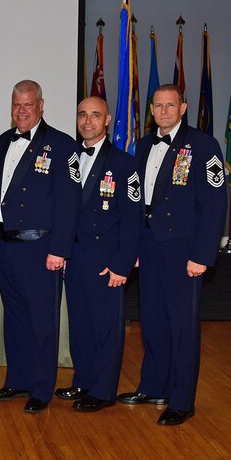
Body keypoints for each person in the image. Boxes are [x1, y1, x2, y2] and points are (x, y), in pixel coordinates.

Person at [118, 84, 227, 426]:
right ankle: (154, 386)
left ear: (183, 108)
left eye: (170, 105)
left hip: (183, 249)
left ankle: (182, 400)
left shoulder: (204, 145)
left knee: (182, 326)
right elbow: (135, 200)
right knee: (152, 320)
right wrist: (132, 246)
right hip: (149, 244)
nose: (164, 111)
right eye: (158, 105)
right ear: (151, 110)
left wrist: (202, 254)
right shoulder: (143, 145)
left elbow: (214, 205)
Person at [0, 80, 81, 414]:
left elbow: (69, 203)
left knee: (42, 321)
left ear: (41, 105)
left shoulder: (61, 145)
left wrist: (60, 249)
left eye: (28, 105)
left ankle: (41, 388)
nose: (21, 111)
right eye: (16, 105)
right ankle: (18, 379)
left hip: (42, 248)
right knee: (14, 318)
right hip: (8, 245)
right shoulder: (2, 141)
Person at [56, 97, 141, 412]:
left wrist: (122, 264)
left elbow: (133, 220)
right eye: (82, 114)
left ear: (107, 121)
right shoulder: (69, 158)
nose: (87, 121)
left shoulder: (123, 163)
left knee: (106, 326)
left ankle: (103, 391)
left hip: (106, 259)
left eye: (95, 115)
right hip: (74, 256)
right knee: (80, 324)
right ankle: (84, 379)